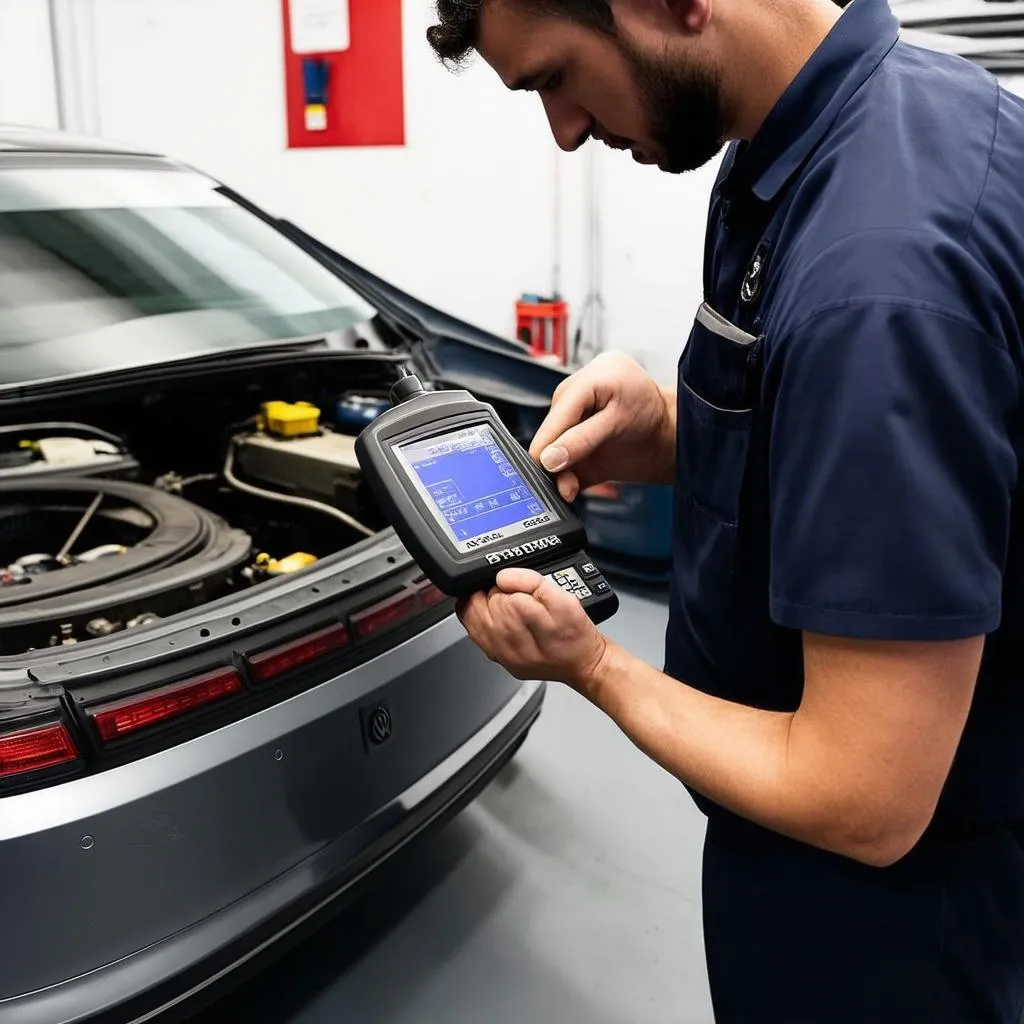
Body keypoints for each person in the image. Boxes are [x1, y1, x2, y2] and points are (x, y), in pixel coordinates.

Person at [427, 0, 1024, 1020]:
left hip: (883, 919)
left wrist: (590, 666)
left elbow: (862, 799)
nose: (563, 130)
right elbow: (856, 442)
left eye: (553, 79)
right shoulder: (833, 136)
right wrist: (665, 424)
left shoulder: (876, 283)